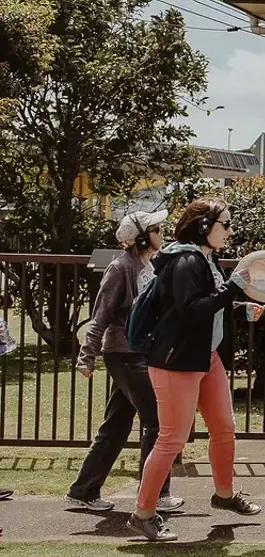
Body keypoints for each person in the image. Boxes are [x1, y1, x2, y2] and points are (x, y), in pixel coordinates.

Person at [127, 198, 265, 542]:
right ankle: (143, 513)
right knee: (172, 438)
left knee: (224, 427)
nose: (231, 231)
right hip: (178, 361)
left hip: (206, 356)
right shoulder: (187, 260)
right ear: (205, 227)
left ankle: (223, 494)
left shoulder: (204, 257)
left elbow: (206, 304)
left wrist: (238, 306)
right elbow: (192, 311)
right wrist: (233, 287)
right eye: (226, 225)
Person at [66, 211, 183, 514]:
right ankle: (155, 494)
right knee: (157, 421)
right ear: (143, 236)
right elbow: (100, 315)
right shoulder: (121, 268)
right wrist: (86, 356)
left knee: (116, 426)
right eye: (157, 228)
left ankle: (83, 491)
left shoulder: (153, 266)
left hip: (141, 352)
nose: (163, 231)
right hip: (124, 353)